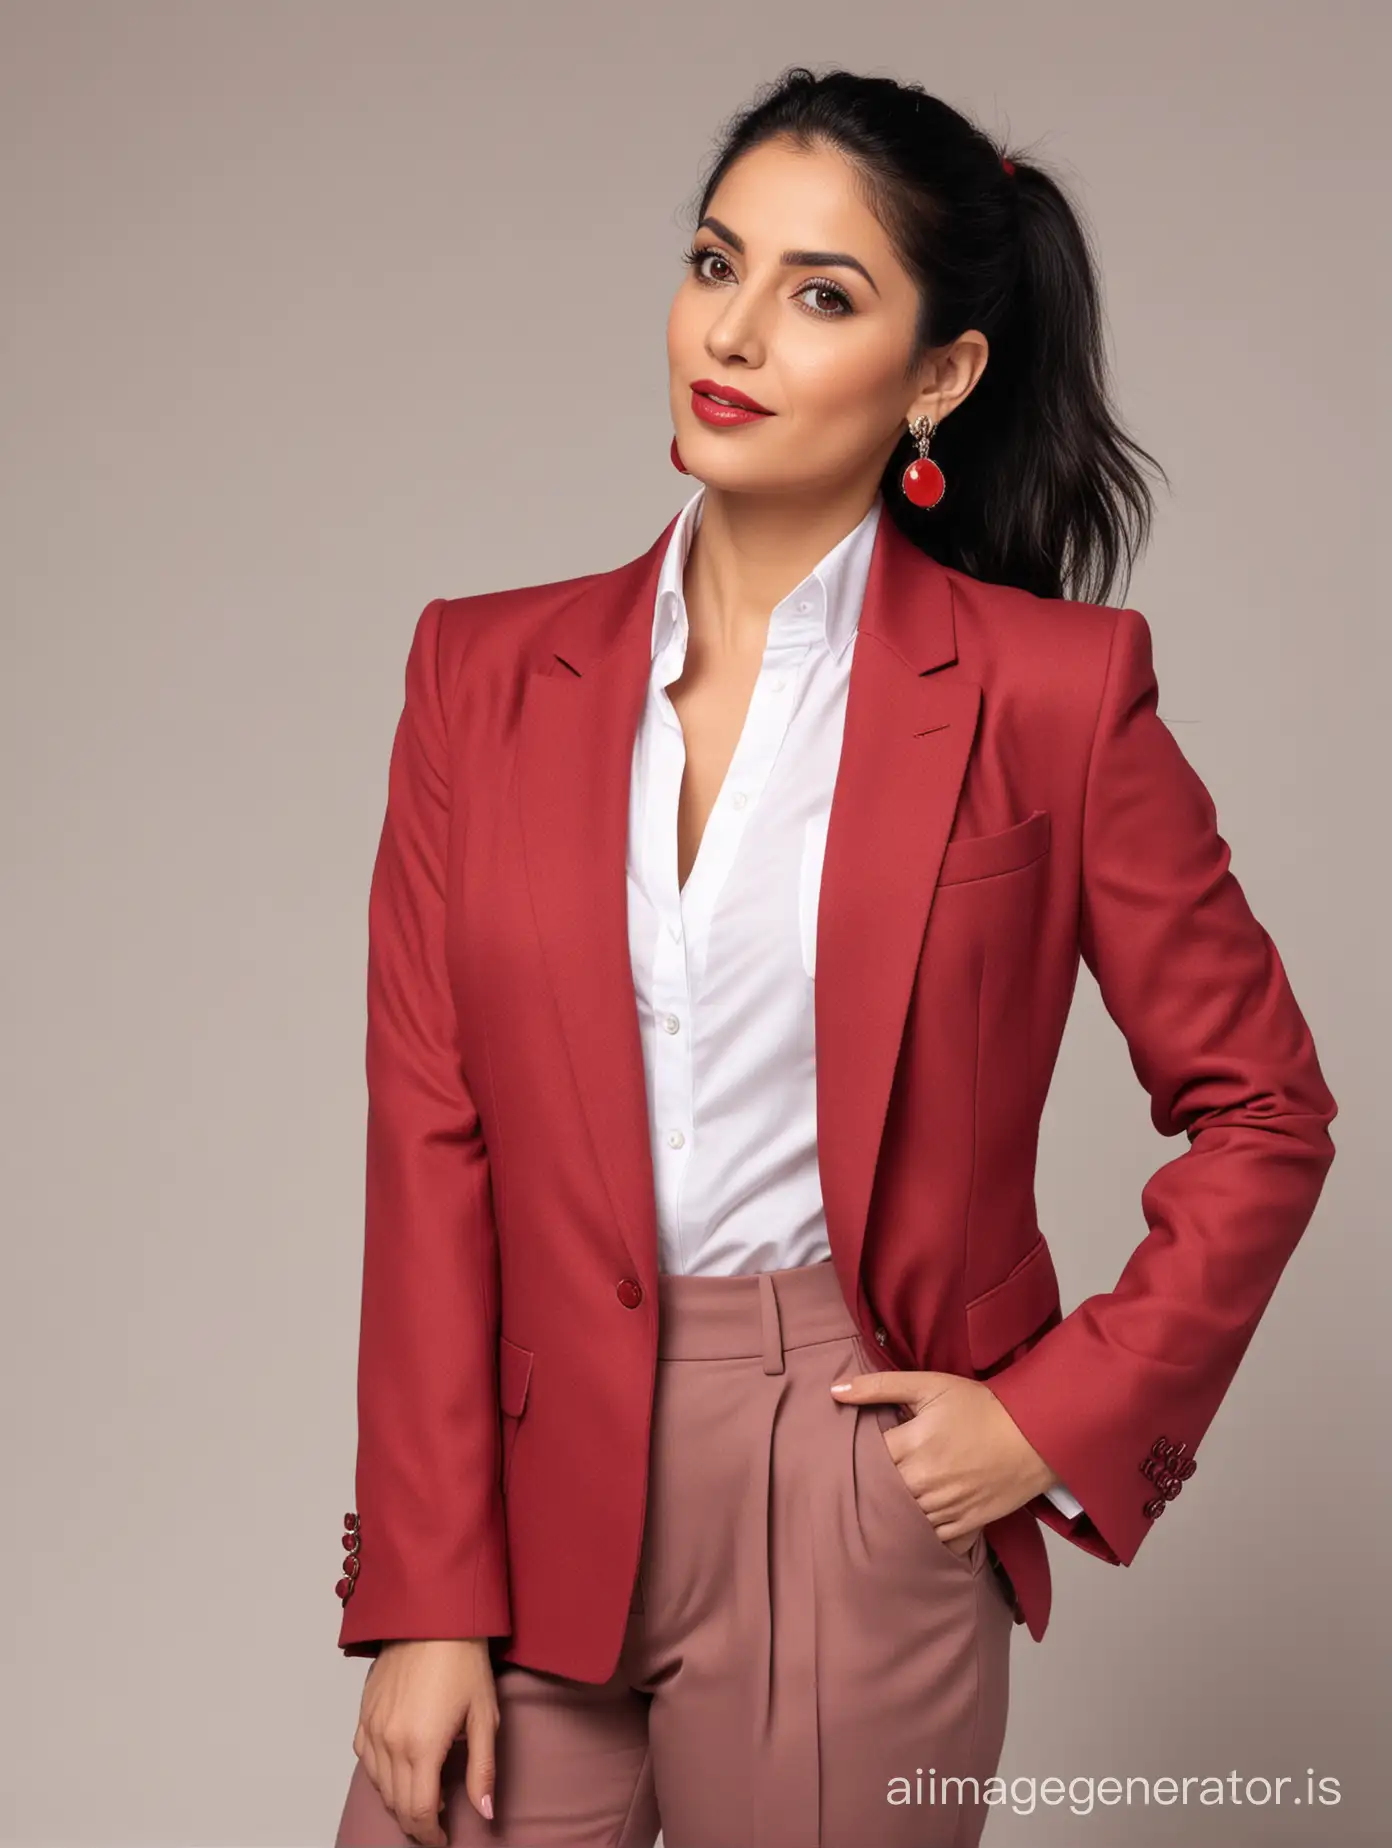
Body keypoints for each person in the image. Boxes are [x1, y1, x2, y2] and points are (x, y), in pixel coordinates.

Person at [331, 65, 1337, 1848]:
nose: (734, 331)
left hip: (851, 1493)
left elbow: (1263, 1107)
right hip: (534, 1479)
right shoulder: (475, 681)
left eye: (821, 294)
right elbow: (431, 1147)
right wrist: (421, 1586)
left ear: (938, 377)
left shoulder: (1051, 696)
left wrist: (1049, 1421)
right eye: (717, 263)